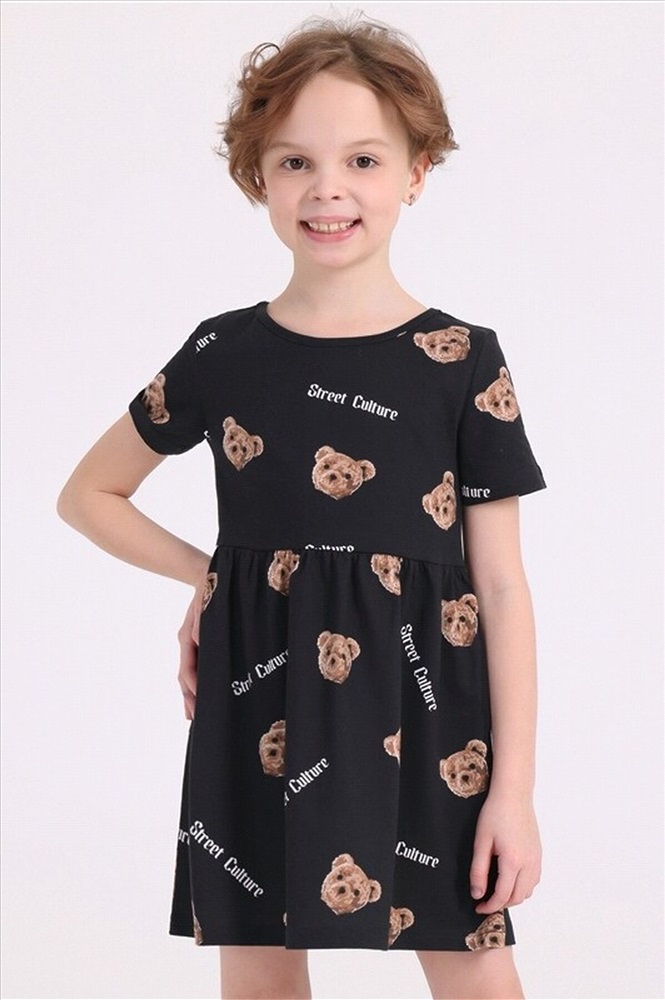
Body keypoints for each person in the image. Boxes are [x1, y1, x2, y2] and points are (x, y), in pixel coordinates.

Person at [57, 13, 546, 1000]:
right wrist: (211, 576)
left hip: (430, 720)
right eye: (294, 162)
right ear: (258, 179)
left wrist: (513, 792)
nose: (328, 188)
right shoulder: (223, 352)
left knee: (474, 968)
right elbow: (88, 493)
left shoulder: (462, 360)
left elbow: (499, 585)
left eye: (362, 159)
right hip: (259, 703)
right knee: (259, 966)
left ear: (415, 172)